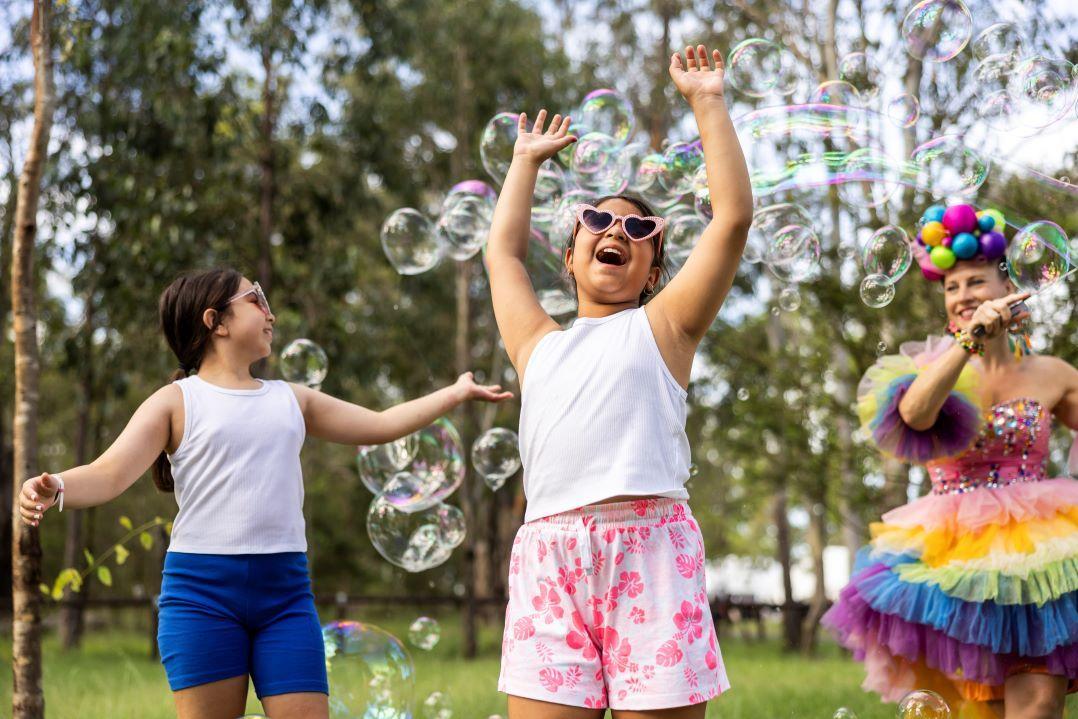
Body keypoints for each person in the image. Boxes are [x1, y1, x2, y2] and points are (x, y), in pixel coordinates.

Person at [18, 268, 512, 719]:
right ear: (217, 321)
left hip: (286, 596)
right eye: (256, 299)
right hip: (201, 596)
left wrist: (454, 392)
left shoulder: (290, 399)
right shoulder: (176, 401)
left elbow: (380, 425)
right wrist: (57, 484)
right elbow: (108, 474)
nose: (270, 312)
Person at [485, 44, 753, 717]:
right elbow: (502, 253)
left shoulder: (665, 328)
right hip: (550, 554)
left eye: (640, 228)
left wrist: (707, 102)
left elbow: (732, 219)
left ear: (655, 273)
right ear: (572, 259)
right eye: (598, 221)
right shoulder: (536, 343)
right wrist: (524, 163)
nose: (618, 230)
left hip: (652, 551)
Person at [823, 202, 1078, 718]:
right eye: (952, 287)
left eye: (976, 282)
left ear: (1008, 288)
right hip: (950, 558)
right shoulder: (927, 369)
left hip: (1041, 552)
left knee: (1039, 705)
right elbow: (915, 415)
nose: (963, 296)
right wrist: (969, 342)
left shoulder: (1052, 373)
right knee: (972, 710)